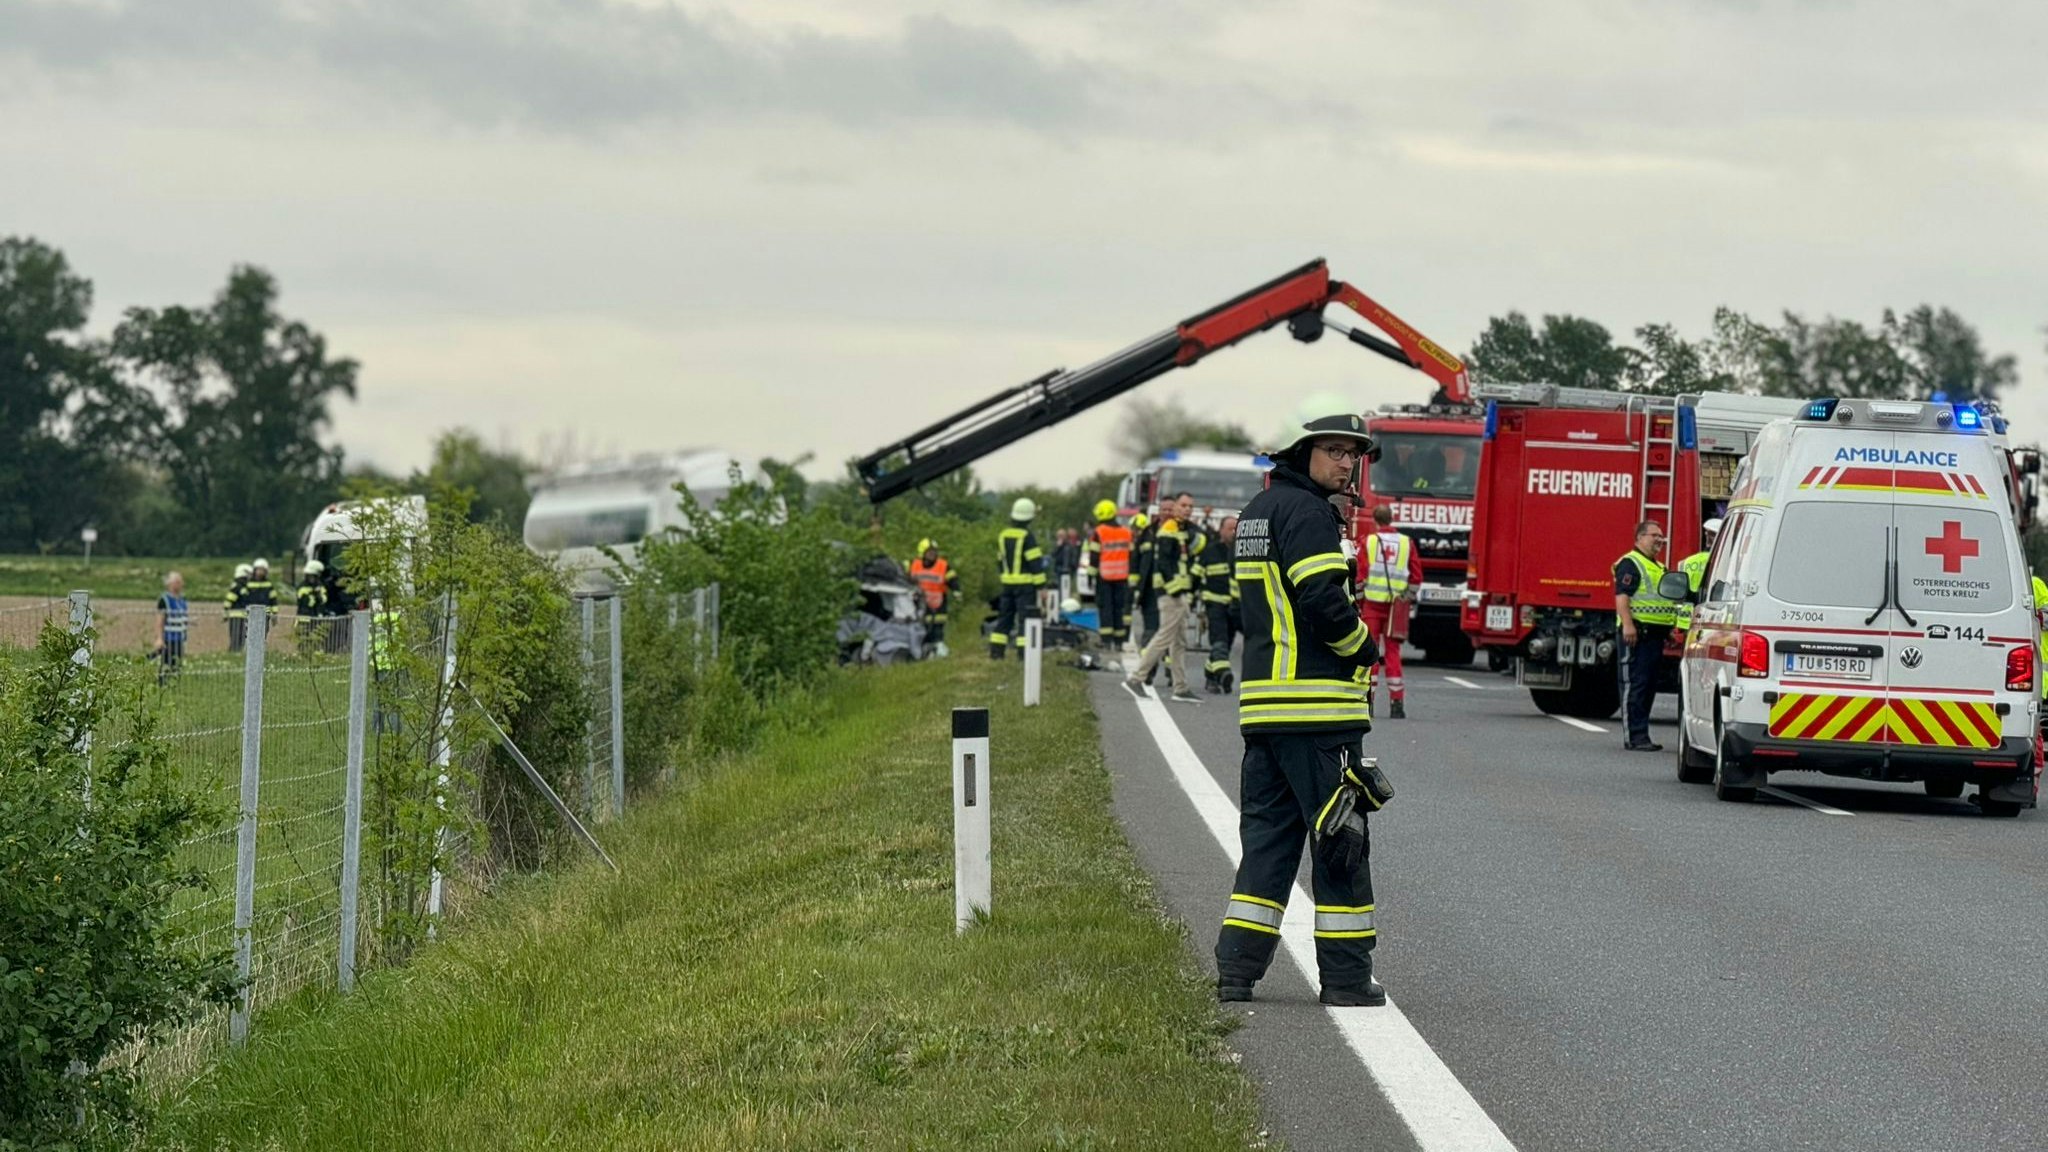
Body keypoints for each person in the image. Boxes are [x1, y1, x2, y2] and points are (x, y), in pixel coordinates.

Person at [1215, 414, 1385, 1007]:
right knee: (1342, 841)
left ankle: (1236, 972)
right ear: (1303, 452)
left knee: (1267, 842)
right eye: (1335, 452)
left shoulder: (1260, 512)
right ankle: (1345, 980)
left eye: (1352, 456)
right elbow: (1320, 597)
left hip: (1264, 708)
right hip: (1317, 708)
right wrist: (1364, 646)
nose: (1346, 464)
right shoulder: (1310, 513)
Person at [1126, 491, 1202, 703]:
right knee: (1165, 637)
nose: (1187, 509)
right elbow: (1164, 563)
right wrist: (1175, 589)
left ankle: (1180, 687)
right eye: (1183, 505)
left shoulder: (1181, 528)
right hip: (1171, 594)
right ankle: (1136, 678)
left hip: (1178, 593)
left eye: (1190, 506)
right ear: (1175, 507)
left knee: (1179, 642)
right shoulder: (1169, 529)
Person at [1614, 520, 1677, 752]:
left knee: (1648, 686)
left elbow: (1659, 602)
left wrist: (1667, 629)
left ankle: (1642, 735)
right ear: (1639, 538)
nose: (1659, 540)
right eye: (1654, 536)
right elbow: (1622, 597)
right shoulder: (1631, 564)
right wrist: (1628, 625)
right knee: (1635, 685)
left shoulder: (1657, 566)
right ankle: (1634, 737)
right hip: (1636, 635)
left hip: (1654, 636)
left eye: (1661, 536)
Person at [1358, 504, 1423, 719]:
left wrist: (1358, 601)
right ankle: (1397, 703)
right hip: (1396, 607)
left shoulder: (1369, 542)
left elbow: (1360, 576)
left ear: (1375, 521)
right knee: (1393, 653)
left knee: (1371, 652)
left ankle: (1369, 702)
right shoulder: (1406, 543)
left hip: (1372, 605)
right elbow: (1416, 577)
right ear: (1392, 519)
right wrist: (1407, 598)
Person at [991, 498, 1046, 659]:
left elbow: (1000, 561)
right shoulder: (1027, 536)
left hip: (1007, 585)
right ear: (1029, 517)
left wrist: (1005, 576)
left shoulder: (1003, 535)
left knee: (1004, 618)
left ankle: (996, 652)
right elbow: (1035, 562)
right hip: (1025, 586)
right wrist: (1041, 586)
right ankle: (1023, 654)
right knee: (1025, 620)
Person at [1080, 499, 1135, 656]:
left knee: (1106, 609)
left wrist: (1091, 576)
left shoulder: (1100, 531)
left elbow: (1094, 557)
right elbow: (1131, 556)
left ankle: (1106, 640)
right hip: (1122, 577)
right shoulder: (1126, 532)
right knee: (1119, 609)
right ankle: (1119, 641)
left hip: (1104, 577)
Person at [1196, 516, 1241, 693]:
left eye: (1236, 529)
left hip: (1235, 606)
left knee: (1226, 644)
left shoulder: (1240, 552)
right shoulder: (1210, 551)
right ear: (1221, 530)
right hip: (1214, 604)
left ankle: (1210, 677)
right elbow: (1196, 576)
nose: (1233, 532)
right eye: (1230, 528)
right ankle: (1223, 673)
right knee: (1219, 640)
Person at [908, 538, 962, 658]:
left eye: (934, 551)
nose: (933, 554)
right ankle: (922, 649)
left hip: (938, 603)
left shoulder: (943, 565)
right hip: (918, 603)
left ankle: (938, 647)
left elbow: (952, 579)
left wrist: (956, 590)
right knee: (921, 626)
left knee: (937, 626)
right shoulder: (913, 564)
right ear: (922, 552)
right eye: (929, 552)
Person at [1673, 518, 1721, 632]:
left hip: (1686, 621)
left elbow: (1677, 591)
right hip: (1712, 619)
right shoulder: (1725, 562)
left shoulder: (1687, 562)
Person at [154, 571, 189, 685]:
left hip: (180, 638)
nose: (180, 584)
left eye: (181, 582)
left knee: (177, 664)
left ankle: (174, 685)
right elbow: (160, 620)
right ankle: (162, 684)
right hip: (168, 638)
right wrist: (159, 638)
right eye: (178, 582)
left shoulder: (182, 600)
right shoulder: (164, 600)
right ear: (170, 584)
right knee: (166, 663)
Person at [1131, 511, 1159, 650]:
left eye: (1135, 529)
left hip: (1149, 588)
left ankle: (1147, 658)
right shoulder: (1146, 538)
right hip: (1150, 588)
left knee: (1152, 624)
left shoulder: (1145, 539)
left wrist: (1137, 590)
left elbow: (1142, 567)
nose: (1133, 532)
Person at [297, 560, 329, 645]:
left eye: (313, 576)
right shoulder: (302, 587)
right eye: (310, 576)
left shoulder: (320, 586)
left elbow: (324, 599)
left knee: (317, 642)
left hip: (317, 619)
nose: (312, 578)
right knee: (304, 643)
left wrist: (318, 596)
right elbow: (307, 602)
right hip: (304, 619)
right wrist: (315, 596)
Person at [223, 562, 252, 652]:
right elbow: (229, 601)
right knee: (236, 637)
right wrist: (226, 613)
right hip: (236, 616)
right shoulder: (237, 587)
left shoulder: (242, 586)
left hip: (241, 616)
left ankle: (237, 652)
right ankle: (234, 652)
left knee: (241, 637)